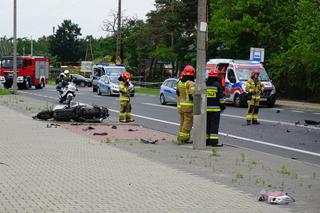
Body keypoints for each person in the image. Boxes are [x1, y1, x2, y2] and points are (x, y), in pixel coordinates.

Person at [206, 68, 225, 146]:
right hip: (215, 110)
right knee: (214, 125)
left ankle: (206, 140)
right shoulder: (217, 85)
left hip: (206, 109)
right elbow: (220, 98)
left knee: (207, 125)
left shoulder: (205, 84)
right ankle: (214, 142)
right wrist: (223, 106)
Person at [176, 65, 195, 143]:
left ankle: (180, 137)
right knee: (187, 123)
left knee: (182, 122)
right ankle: (184, 138)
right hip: (188, 107)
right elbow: (193, 94)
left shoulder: (180, 82)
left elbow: (177, 92)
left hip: (180, 106)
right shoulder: (190, 83)